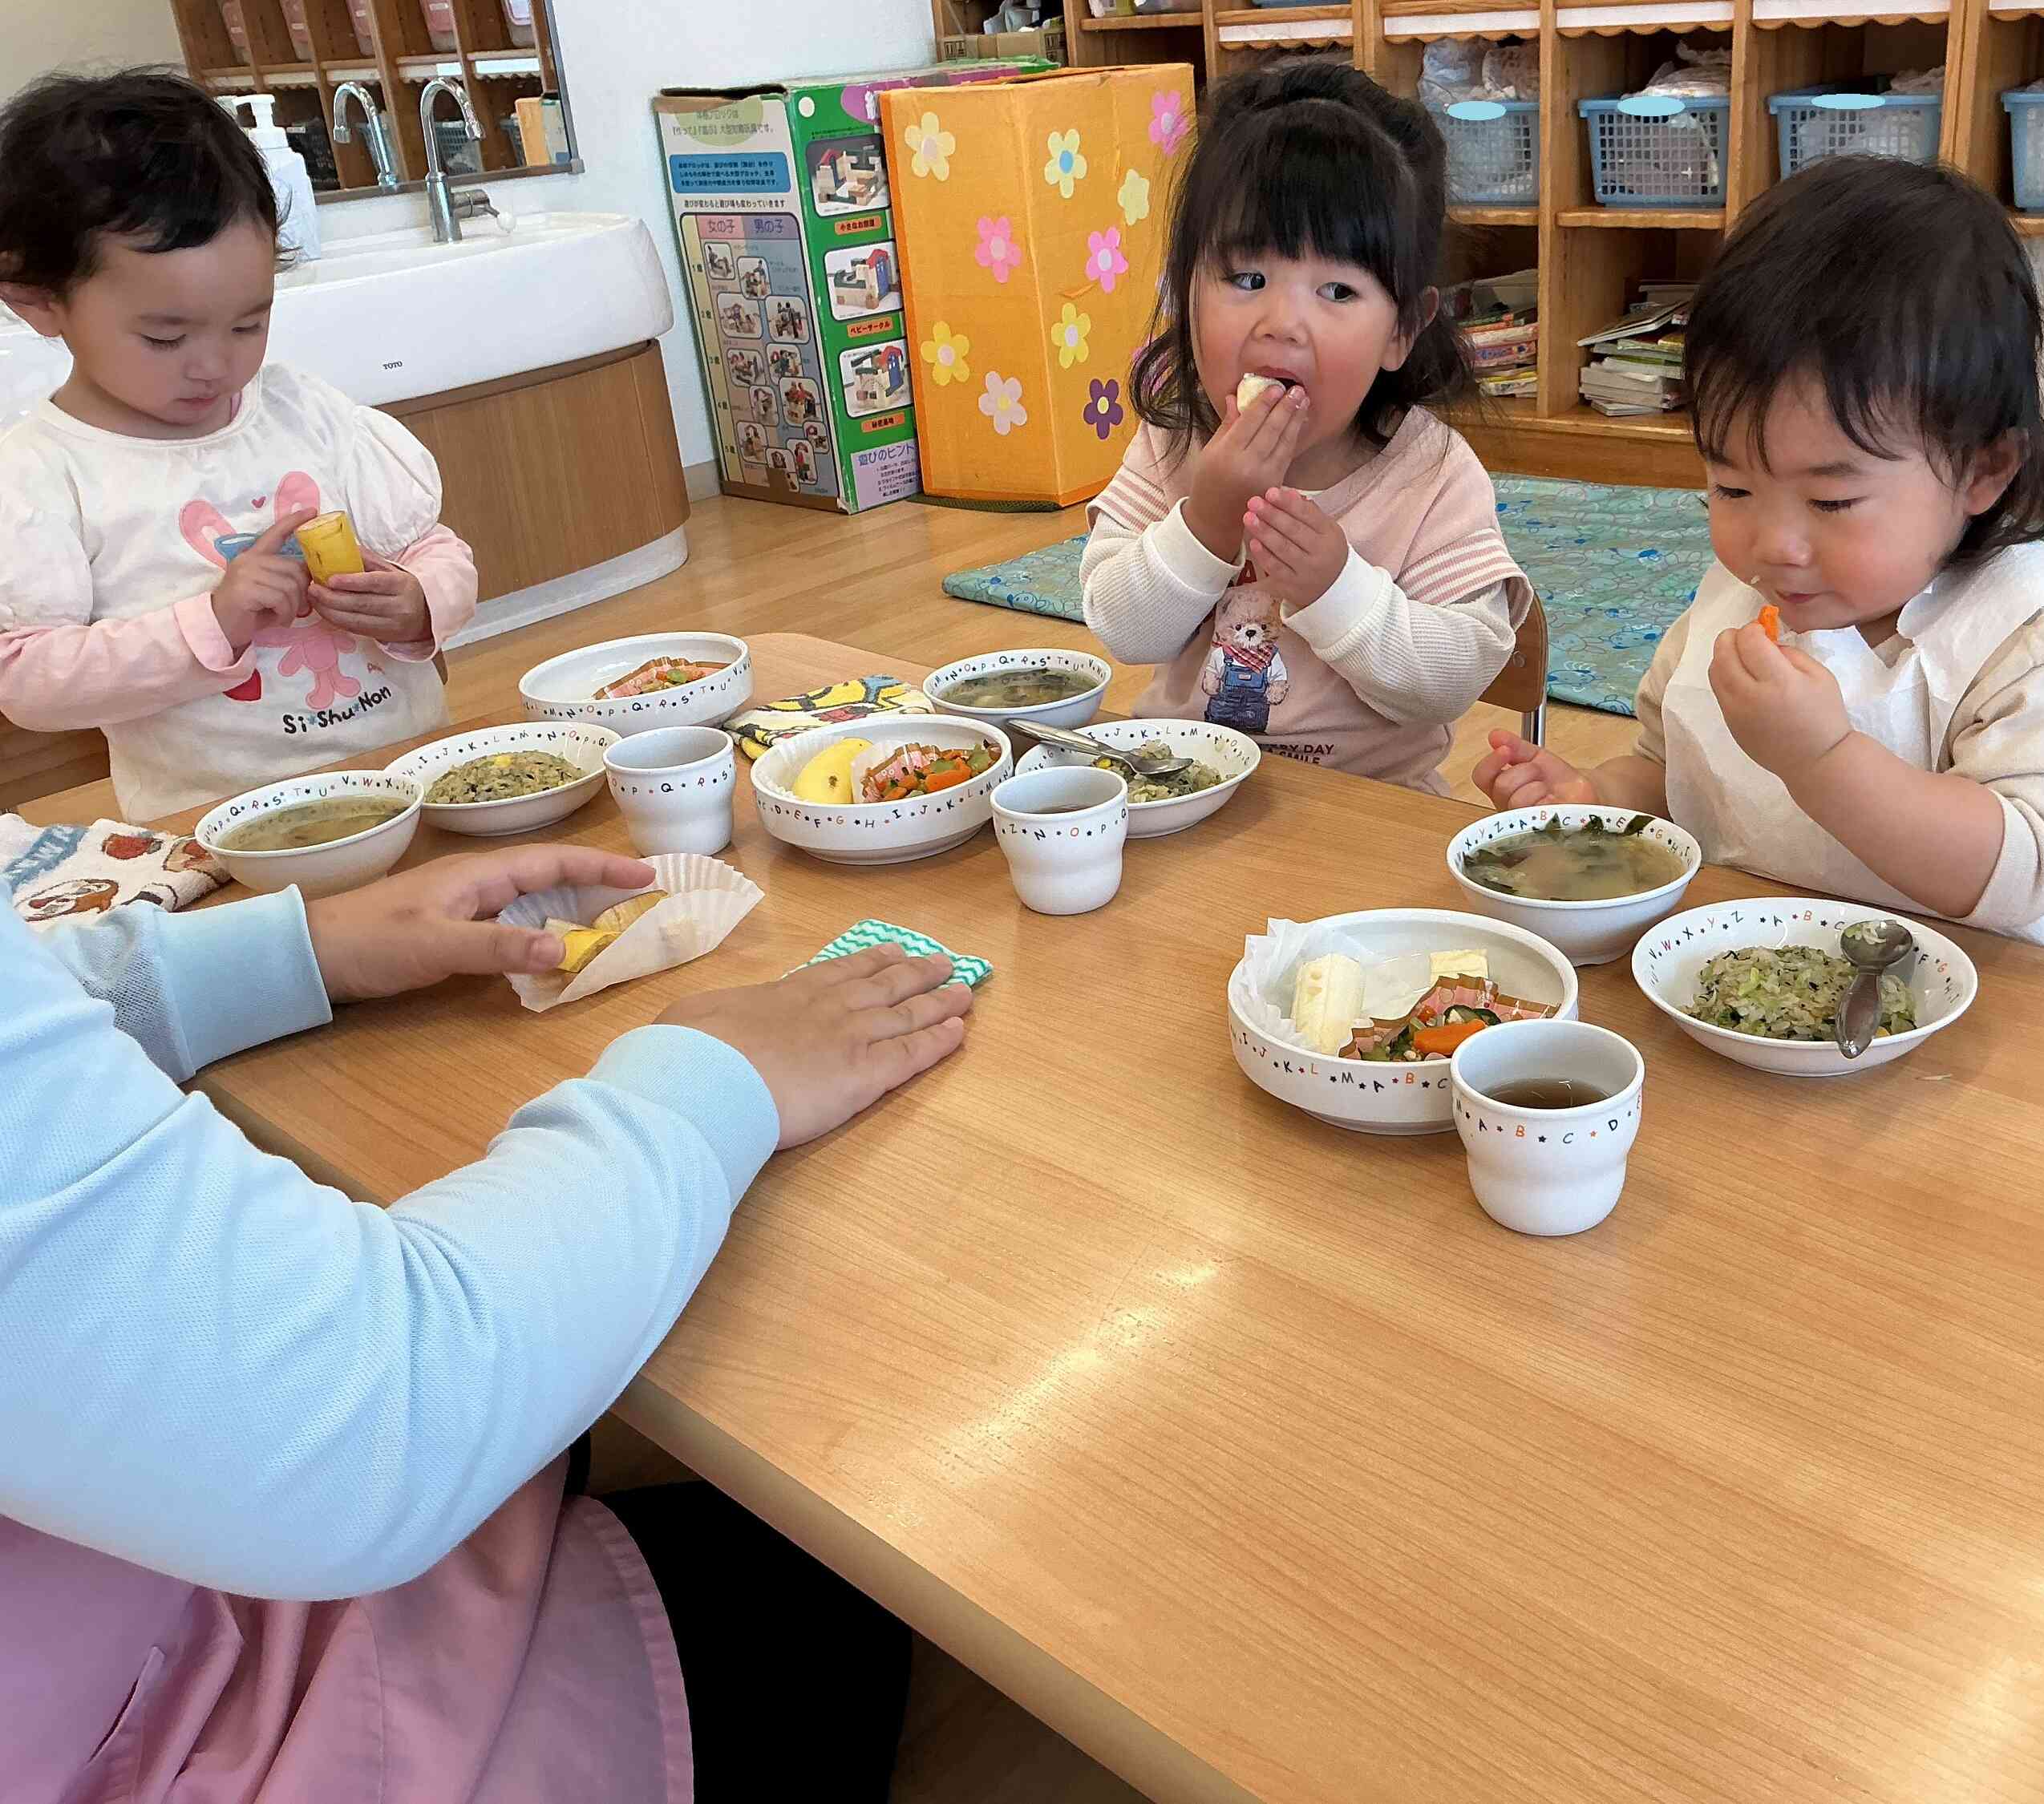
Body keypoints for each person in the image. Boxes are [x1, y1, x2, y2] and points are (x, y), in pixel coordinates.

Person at [0, 845, 973, 1801]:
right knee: (827, 1598)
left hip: (136, 1598)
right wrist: (717, 1080)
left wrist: (292, 949)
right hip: (176, 1708)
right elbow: (366, 1426)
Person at [1475, 157, 2044, 958]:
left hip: (2006, 1038)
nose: (1773, 546)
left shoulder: (2036, 650)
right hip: (1759, 1000)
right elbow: (1671, 776)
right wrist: (1597, 800)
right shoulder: (1733, 604)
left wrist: (1822, 757)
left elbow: (2016, 872)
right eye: (1731, 487)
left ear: (1981, 469)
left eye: (1832, 502)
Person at [0, 71, 475, 821]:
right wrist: (211, 624)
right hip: (227, 828)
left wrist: (422, 602)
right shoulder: (41, 475)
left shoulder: (302, 410)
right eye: (166, 336)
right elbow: (28, 681)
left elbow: (434, 548)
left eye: (249, 324)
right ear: (36, 300)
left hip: (409, 780)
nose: (217, 365)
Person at [1081, 60, 1533, 797]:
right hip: (1185, 788)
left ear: (1403, 330)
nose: (1283, 325)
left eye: (1337, 290)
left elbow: (1455, 674)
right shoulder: (1174, 442)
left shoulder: (1428, 472)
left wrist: (1337, 588)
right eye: (1247, 279)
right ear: (1186, 286)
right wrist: (1206, 522)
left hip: (1371, 812)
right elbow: (1124, 632)